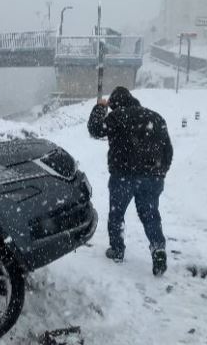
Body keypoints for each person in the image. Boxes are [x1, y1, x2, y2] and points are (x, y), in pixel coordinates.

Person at [87, 87, 173, 276]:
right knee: (150, 214)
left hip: (123, 176)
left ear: (115, 104)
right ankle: (158, 249)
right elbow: (168, 150)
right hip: (152, 177)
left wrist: (100, 108)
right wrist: (160, 173)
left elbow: (95, 129)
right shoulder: (155, 118)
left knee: (117, 214)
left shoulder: (117, 116)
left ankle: (117, 250)